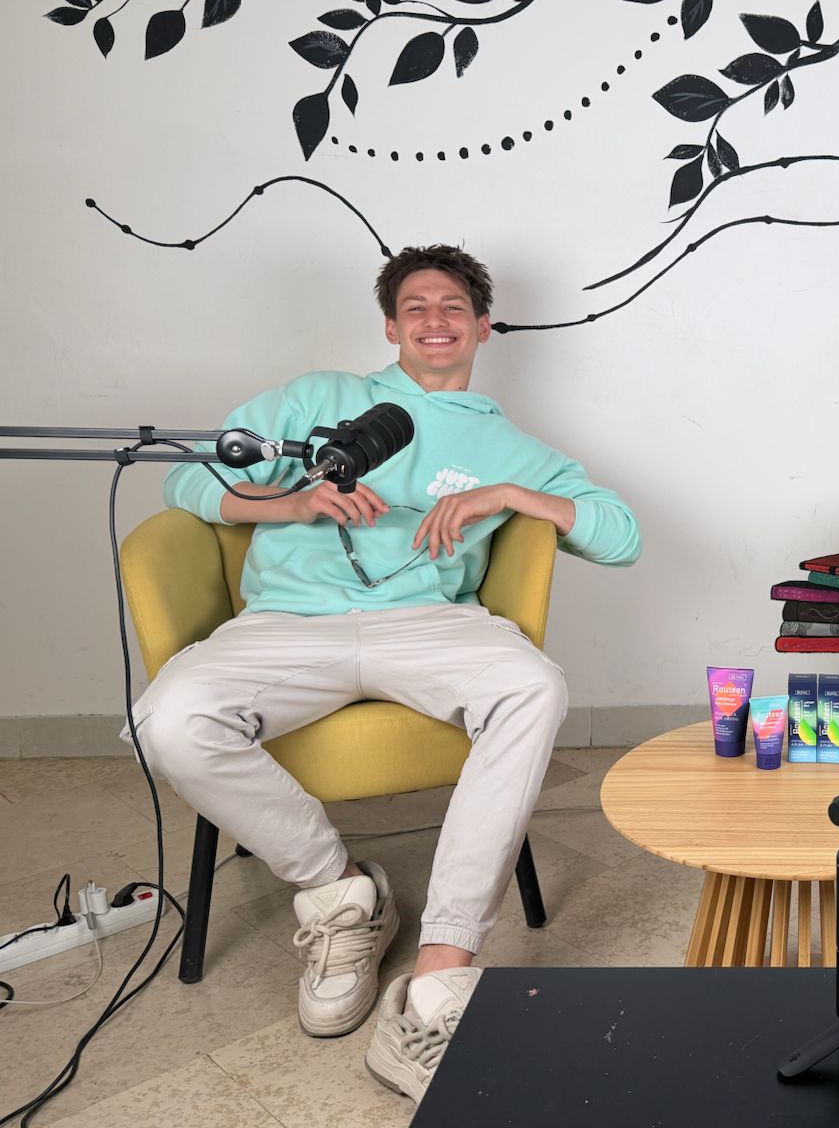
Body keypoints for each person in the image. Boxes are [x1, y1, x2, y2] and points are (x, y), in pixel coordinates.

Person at [127, 244, 641, 1101]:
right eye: (415, 307)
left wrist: (505, 496)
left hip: (428, 624)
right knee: (169, 717)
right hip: (288, 624)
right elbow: (187, 480)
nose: (434, 320)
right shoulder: (318, 400)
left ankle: (442, 968)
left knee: (533, 687)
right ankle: (340, 898)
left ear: (483, 326)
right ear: (391, 328)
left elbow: (621, 536)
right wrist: (291, 502)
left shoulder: (508, 446)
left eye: (452, 307)